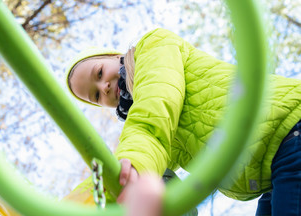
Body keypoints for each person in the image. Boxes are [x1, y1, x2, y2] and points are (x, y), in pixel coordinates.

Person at [66, 28, 301, 215]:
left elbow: (156, 104)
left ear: (113, 57)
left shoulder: (153, 48)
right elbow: (127, 173)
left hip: (288, 133)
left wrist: (135, 159)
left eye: (99, 74)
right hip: (271, 174)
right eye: (96, 95)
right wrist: (68, 206)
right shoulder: (158, 133)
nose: (104, 87)